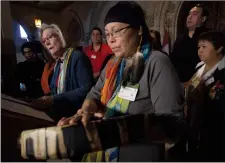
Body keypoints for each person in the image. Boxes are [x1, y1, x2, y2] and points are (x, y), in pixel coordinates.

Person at [58, 1, 184, 162]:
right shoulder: (113, 64)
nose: (110, 40)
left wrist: (118, 128)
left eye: (116, 32)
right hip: (108, 145)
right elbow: (95, 93)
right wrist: (86, 110)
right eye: (107, 34)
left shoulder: (157, 63)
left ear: (138, 29)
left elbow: (172, 123)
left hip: (139, 152)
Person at [32, 23, 94, 121]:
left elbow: (87, 89)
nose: (47, 43)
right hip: (62, 117)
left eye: (50, 37)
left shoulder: (77, 57)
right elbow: (55, 92)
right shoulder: (58, 63)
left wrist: (53, 99)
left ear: (61, 36)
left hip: (78, 116)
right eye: (44, 41)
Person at [185, 31, 225, 161]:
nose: (200, 51)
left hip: (214, 130)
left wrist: (201, 94)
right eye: (198, 47)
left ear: (219, 48)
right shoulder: (199, 67)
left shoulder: (222, 72)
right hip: (194, 123)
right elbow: (191, 87)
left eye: (204, 47)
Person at [170, 4, 210, 83]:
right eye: (189, 14)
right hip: (177, 84)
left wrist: (192, 85)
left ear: (203, 19)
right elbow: (173, 61)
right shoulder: (180, 38)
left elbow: (209, 65)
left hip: (198, 85)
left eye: (195, 14)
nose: (189, 17)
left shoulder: (208, 37)